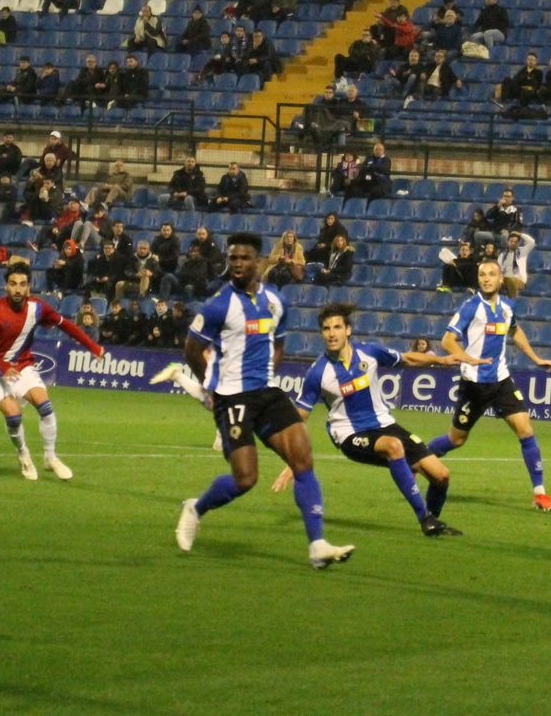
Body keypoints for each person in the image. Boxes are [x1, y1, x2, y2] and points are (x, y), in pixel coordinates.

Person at [174, 233, 356, 569]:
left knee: (303, 460)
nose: (238, 264)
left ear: (259, 262)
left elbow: (278, 344)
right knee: (246, 479)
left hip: (268, 393)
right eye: (233, 259)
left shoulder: (275, 301)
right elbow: (191, 349)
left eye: (245, 258)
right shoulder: (218, 304)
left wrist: (269, 374)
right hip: (232, 398)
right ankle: (195, 508)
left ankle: (317, 544)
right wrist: (211, 386)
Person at [270, 304, 463, 537]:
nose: (331, 333)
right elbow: (299, 419)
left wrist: (442, 361)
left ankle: (432, 522)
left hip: (384, 424)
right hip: (349, 435)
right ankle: (424, 517)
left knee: (441, 476)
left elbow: (407, 359)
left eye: (337, 327)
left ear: (348, 330)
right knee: (393, 446)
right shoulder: (317, 372)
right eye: (326, 328)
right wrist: (293, 461)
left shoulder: (369, 353)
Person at [424, 260, 551, 512]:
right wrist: (467, 357)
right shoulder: (470, 307)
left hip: (501, 381)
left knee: (526, 431)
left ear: (500, 280)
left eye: (491, 274)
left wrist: (536, 358)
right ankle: (418, 458)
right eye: (482, 274)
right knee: (456, 439)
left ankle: (540, 493)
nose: (486, 278)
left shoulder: (508, 307)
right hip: (474, 384)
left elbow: (515, 332)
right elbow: (447, 340)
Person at [0, 262, 108, 482]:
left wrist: (92, 346)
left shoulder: (38, 308)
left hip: (23, 365)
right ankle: (24, 454)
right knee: (14, 416)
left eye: (22, 284)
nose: (18, 289)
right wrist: (4, 366)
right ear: (6, 286)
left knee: (45, 407)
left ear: (29, 287)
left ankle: (50, 457)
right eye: (13, 284)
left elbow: (66, 325)